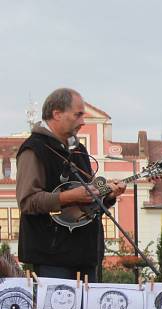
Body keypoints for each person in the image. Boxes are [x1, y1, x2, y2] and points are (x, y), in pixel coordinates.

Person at [15, 88, 126, 282]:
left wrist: (107, 196)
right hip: (52, 257)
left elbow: (87, 201)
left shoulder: (78, 149)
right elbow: (27, 201)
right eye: (78, 114)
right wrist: (69, 196)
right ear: (57, 114)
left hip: (86, 254)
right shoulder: (34, 149)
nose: (83, 121)